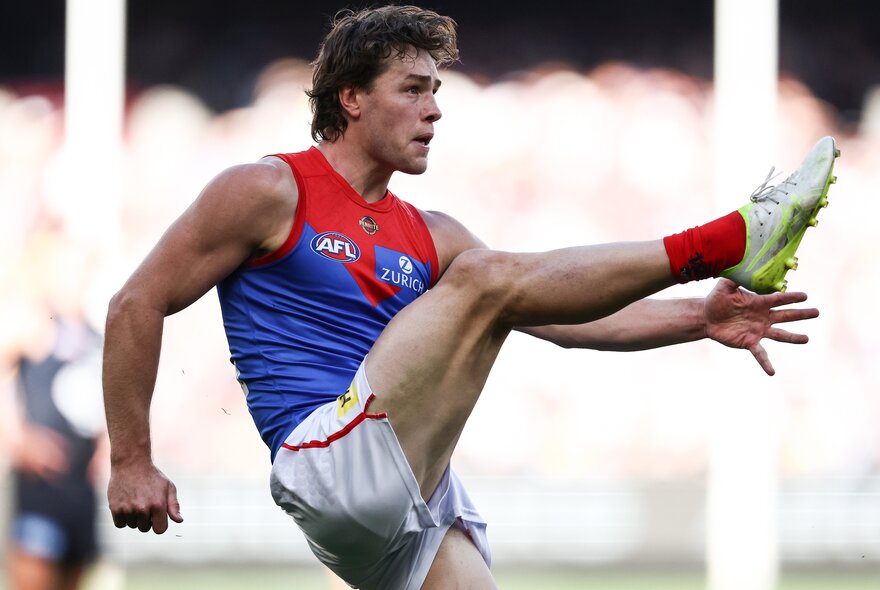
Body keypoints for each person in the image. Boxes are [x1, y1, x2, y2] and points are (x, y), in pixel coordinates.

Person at [102, 5, 838, 589]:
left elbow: (563, 318)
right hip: (326, 462)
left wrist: (698, 316)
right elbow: (135, 302)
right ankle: (726, 240)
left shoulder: (432, 234)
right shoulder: (268, 189)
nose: (434, 110)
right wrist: (131, 460)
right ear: (350, 98)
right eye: (412, 90)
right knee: (485, 278)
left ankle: (715, 265)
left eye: (436, 91)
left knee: (490, 281)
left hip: (410, 496)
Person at [3, 311, 104, 590]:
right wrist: (18, 436)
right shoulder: (37, 326)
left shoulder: (95, 334)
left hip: (81, 490)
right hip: (42, 490)